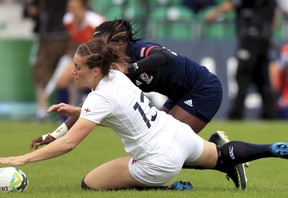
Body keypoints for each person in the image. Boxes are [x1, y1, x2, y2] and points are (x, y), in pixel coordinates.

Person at [0, 37, 287, 191]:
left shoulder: (101, 96)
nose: (74, 71)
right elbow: (117, 112)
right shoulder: (116, 76)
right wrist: (78, 110)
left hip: (158, 161)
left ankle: (167, 189)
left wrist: (20, 158)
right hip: (178, 135)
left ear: (96, 70)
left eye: (78, 66)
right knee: (222, 155)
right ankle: (272, 149)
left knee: (89, 183)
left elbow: (69, 143)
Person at [29, 19, 248, 189]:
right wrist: (54, 135)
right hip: (177, 95)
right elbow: (89, 109)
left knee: (167, 148)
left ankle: (227, 157)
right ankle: (220, 151)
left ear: (119, 43)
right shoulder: (111, 71)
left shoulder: (139, 49)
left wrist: (132, 69)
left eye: (102, 44)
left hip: (202, 89)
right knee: (159, 146)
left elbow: (166, 56)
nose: (99, 50)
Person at [205, 0, 277, 120]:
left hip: (249, 41)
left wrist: (214, 14)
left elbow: (231, 4)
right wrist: (270, 34)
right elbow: (276, 14)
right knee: (262, 78)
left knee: (243, 77)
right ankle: (269, 113)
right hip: (263, 41)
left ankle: (237, 113)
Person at [52, 0, 107, 112]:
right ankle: (64, 117)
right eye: (70, 7)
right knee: (62, 81)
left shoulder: (95, 21)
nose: (73, 10)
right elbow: (73, 39)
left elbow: (106, 40)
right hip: (81, 56)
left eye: (76, 7)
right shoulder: (68, 19)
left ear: (83, 8)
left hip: (97, 58)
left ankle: (91, 110)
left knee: (88, 84)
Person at [24, 0, 69, 121]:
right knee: (68, 74)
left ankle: (42, 111)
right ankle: (67, 112)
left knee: (40, 73)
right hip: (66, 35)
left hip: (48, 37)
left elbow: (30, 11)